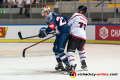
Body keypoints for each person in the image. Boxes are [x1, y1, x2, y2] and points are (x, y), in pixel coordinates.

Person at [39, 6, 70, 74]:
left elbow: (52, 26)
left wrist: (45, 32)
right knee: (55, 50)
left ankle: (68, 66)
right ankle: (60, 64)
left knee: (59, 50)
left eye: (44, 12)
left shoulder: (49, 16)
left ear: (47, 11)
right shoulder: (55, 14)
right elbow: (66, 18)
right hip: (62, 33)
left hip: (63, 34)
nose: (43, 14)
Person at [67, 5, 88, 72]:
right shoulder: (86, 19)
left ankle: (72, 66)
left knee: (70, 52)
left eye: (78, 10)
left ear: (81, 11)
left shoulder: (76, 15)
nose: (77, 11)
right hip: (83, 37)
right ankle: (84, 64)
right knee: (81, 50)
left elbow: (68, 23)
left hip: (75, 35)